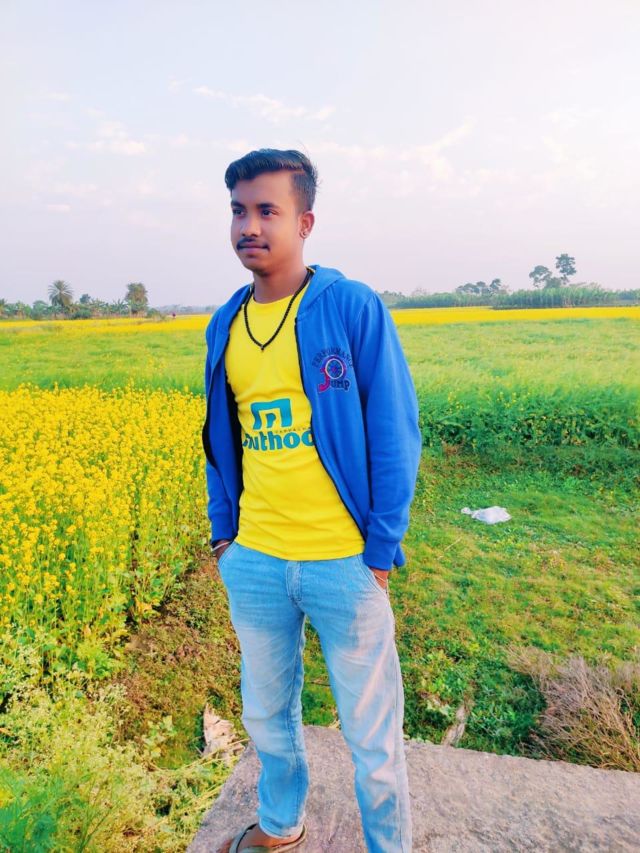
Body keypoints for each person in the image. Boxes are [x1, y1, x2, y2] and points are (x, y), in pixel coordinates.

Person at [202, 148, 421, 853]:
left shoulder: (349, 307)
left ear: (305, 221)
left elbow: (394, 430)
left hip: (343, 561)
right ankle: (279, 826)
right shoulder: (224, 323)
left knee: (372, 736)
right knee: (267, 718)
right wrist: (225, 536)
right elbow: (219, 436)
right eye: (239, 210)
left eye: (268, 210)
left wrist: (380, 550)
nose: (250, 225)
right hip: (257, 559)